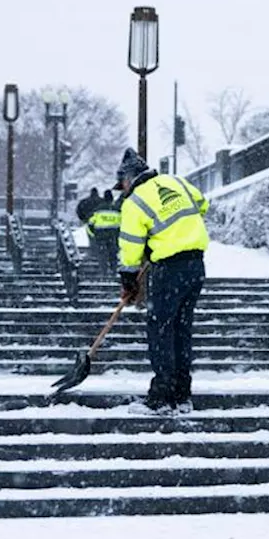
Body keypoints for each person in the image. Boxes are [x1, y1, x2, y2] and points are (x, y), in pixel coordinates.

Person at [115, 148, 210, 414]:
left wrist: (129, 277)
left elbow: (131, 244)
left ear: (130, 178)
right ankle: (182, 393)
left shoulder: (134, 202)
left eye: (122, 183)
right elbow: (202, 204)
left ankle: (162, 396)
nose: (122, 189)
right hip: (195, 266)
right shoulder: (175, 181)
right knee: (181, 329)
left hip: (168, 269)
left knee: (160, 330)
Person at [87, 189, 122, 276]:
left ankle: (104, 272)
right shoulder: (117, 210)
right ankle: (113, 271)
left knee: (102, 254)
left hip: (100, 235)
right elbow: (123, 224)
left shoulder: (98, 210)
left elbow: (90, 223)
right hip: (113, 236)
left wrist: (93, 234)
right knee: (113, 254)